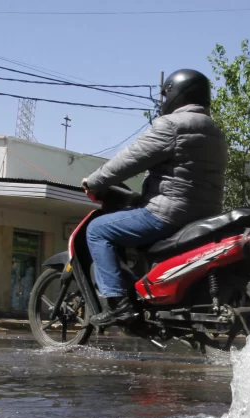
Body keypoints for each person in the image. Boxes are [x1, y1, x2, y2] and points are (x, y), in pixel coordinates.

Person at [82, 69, 229, 327]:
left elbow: (129, 160)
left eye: (165, 96)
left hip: (168, 214)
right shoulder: (216, 131)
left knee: (97, 230)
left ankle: (118, 305)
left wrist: (94, 181)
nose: (162, 102)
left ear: (176, 94)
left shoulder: (172, 125)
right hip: (204, 216)